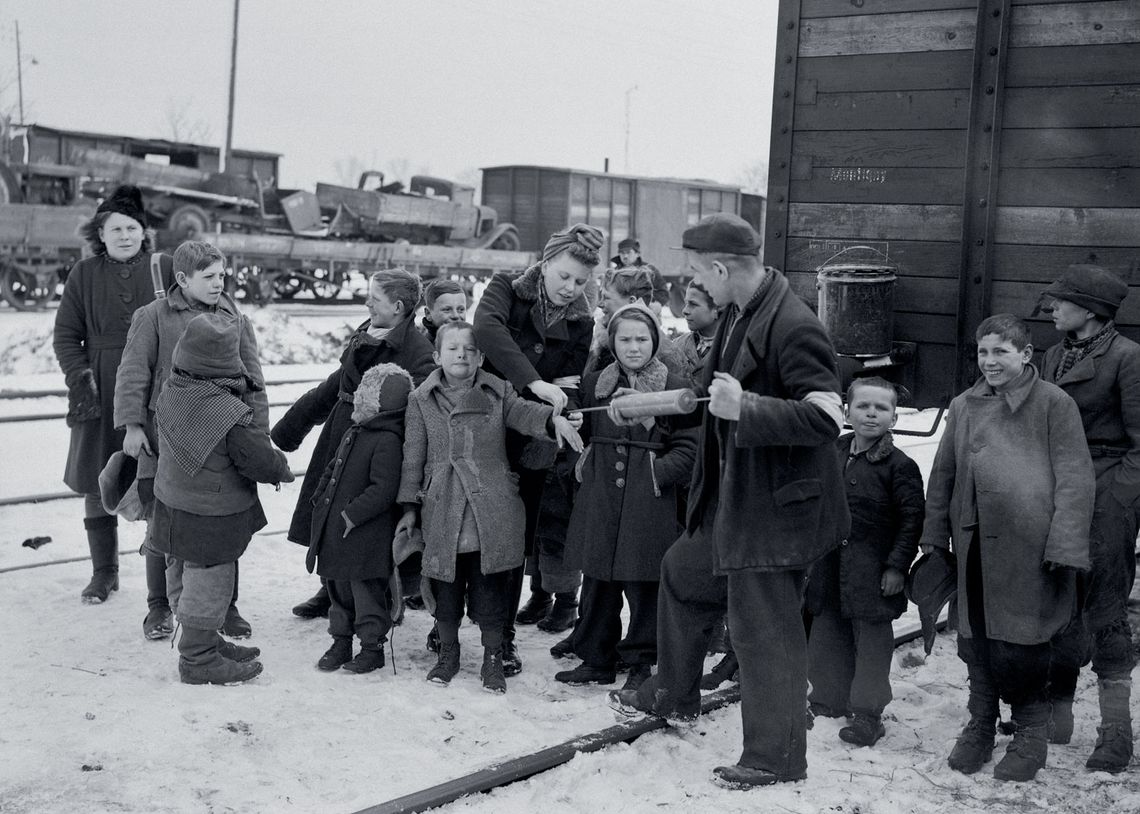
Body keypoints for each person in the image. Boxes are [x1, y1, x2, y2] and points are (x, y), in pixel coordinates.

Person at [608, 212, 849, 790]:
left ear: (720, 268)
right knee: (684, 573)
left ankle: (776, 757)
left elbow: (827, 416)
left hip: (776, 510)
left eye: (695, 272)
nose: (690, 283)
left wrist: (750, 410)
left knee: (764, 632)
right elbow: (709, 393)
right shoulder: (743, 311)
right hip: (733, 499)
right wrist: (646, 404)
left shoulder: (792, 324)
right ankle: (675, 693)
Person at [921, 313, 1094, 782]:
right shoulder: (963, 404)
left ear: (1025, 354)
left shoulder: (1054, 404)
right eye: (983, 352)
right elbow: (943, 476)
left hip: (1030, 547)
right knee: (975, 636)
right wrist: (936, 535)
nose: (990, 362)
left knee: (1023, 641)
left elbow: (1076, 480)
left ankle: (1031, 733)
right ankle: (980, 722)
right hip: (974, 543)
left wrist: (1064, 542)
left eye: (1001, 352)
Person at [396, 321, 583, 693]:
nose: (461, 354)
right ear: (436, 356)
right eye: (452, 348)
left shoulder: (498, 391)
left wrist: (551, 419)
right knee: (445, 589)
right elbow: (412, 457)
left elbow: (525, 413)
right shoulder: (420, 399)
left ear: (481, 356)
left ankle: (493, 657)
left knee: (491, 589)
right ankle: (447, 654)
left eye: (469, 348)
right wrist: (409, 507)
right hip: (442, 507)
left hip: (491, 509)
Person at [114, 240, 266, 641]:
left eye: (222, 275)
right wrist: (131, 426)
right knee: (161, 528)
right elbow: (132, 372)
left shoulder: (235, 317)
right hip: (164, 442)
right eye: (209, 277)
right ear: (182, 279)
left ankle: (226, 607)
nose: (220, 283)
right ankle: (159, 608)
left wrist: (258, 436)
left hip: (222, 444)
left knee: (226, 528)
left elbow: (255, 384)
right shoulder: (154, 316)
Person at [472, 224, 600, 674]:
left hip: (532, 440)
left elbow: (573, 383)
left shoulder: (583, 321)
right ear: (544, 265)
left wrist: (572, 410)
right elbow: (487, 329)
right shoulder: (506, 288)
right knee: (459, 525)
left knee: (513, 539)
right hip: (480, 427)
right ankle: (446, 619)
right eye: (564, 276)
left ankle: (501, 635)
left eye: (581, 282)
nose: (570, 288)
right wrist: (535, 380)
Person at [272, 268, 435, 620]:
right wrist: (293, 426)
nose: (367, 303)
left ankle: (378, 598)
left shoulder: (418, 351)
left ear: (398, 307)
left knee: (363, 523)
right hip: (340, 437)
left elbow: (417, 413)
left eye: (374, 299)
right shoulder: (366, 333)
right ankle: (330, 587)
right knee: (329, 512)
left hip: (376, 451)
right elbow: (337, 384)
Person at [557, 304, 696, 691]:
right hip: (601, 495)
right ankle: (596, 657)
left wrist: (657, 472)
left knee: (644, 584)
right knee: (598, 580)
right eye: (625, 339)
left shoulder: (675, 384)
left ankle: (640, 661)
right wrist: (581, 458)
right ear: (612, 342)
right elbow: (579, 429)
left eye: (642, 339)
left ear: (655, 340)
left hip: (648, 500)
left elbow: (689, 446)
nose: (634, 347)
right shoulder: (596, 380)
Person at [151, 313, 294, 685]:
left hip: (172, 505)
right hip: (210, 515)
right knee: (210, 579)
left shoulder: (172, 390)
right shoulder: (228, 414)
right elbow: (258, 459)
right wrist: (281, 468)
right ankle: (198, 659)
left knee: (181, 570)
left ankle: (204, 640)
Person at [1040, 265, 1140, 773]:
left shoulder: (1127, 357)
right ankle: (1057, 717)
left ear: (1091, 311)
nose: (1052, 308)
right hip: (1059, 490)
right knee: (1059, 599)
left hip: (1106, 493)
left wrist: (1115, 500)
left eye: (1061, 301)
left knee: (1105, 610)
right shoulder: (1055, 355)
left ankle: (1115, 732)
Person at [53, 185, 173, 605]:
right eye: (115, 229)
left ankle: (163, 582)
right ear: (100, 235)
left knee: (162, 480)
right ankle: (104, 573)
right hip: (101, 387)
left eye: (132, 227)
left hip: (158, 388)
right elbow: (67, 336)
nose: (124, 235)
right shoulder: (83, 275)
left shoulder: (166, 268)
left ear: (144, 232)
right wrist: (81, 379)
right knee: (97, 478)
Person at [804, 376, 925, 746]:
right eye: (863, 406)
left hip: (872, 571)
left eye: (881, 408)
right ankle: (827, 700)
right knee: (827, 635)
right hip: (829, 566)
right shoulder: (833, 451)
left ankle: (867, 714)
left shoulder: (899, 466)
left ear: (894, 418)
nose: (871, 414)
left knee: (871, 643)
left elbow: (911, 521)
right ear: (846, 411)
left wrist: (896, 567)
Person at [308, 364, 413, 675]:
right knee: (337, 589)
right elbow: (333, 467)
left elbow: (384, 489)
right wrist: (321, 493)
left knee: (365, 593)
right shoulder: (355, 431)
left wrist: (351, 514)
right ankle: (341, 640)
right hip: (337, 533)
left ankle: (372, 646)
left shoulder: (388, 439)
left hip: (364, 536)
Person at [587, 268, 684, 377]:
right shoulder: (600, 338)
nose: (600, 304)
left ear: (632, 301)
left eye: (606, 298)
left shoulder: (663, 352)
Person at [675, 280, 721, 387]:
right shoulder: (677, 345)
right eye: (686, 303)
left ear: (716, 310)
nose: (684, 311)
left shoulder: (731, 349)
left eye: (693, 304)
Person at [609, 237, 669, 315]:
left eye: (628, 252)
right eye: (622, 253)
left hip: (645, 313)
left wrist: (654, 304)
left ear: (637, 254)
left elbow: (663, 292)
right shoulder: (615, 273)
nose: (625, 256)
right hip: (619, 313)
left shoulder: (649, 271)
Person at [419, 277, 469, 345]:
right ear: (428, 314)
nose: (455, 315)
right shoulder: (422, 350)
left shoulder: (475, 345)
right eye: (447, 310)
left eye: (461, 310)